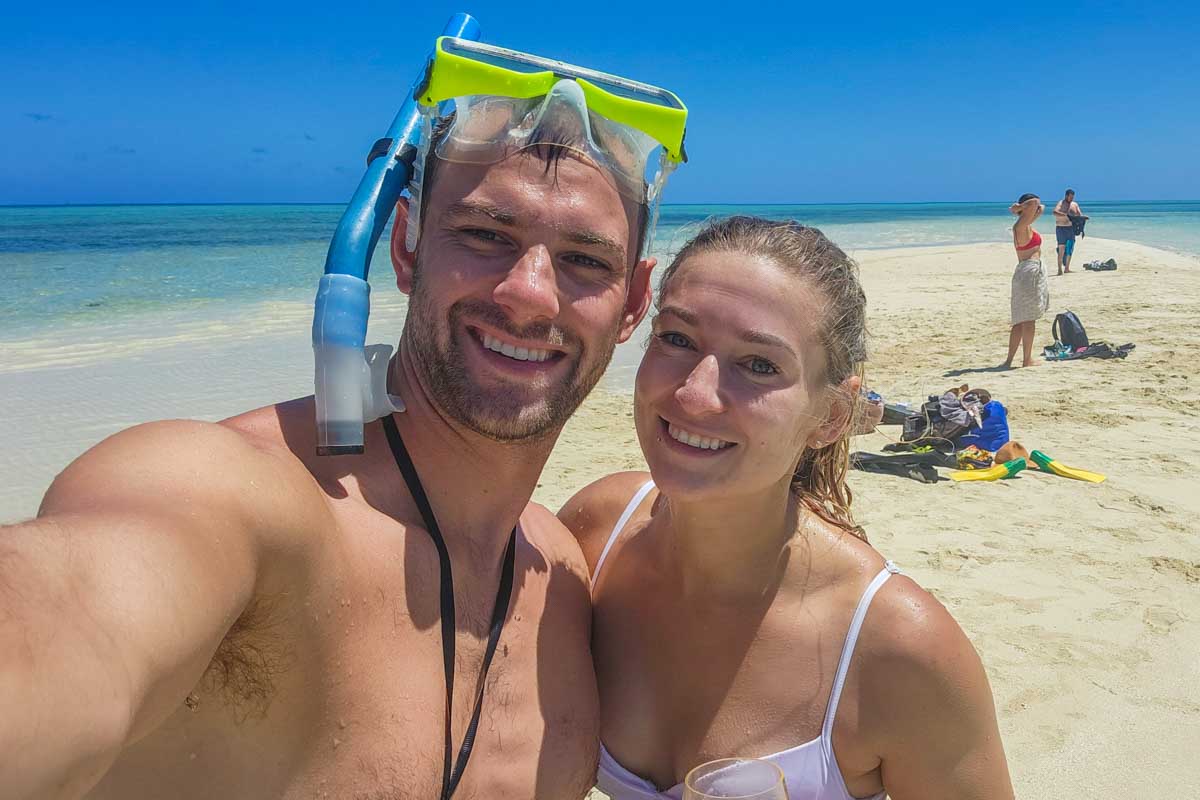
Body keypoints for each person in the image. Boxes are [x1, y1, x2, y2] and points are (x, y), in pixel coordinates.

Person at [0, 43, 688, 799]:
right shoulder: (239, 496)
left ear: (630, 305)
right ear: (404, 245)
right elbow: (68, 614)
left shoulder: (560, 587)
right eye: (487, 235)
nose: (529, 294)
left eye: (585, 259)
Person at [560, 217, 1015, 800]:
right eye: (676, 339)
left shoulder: (899, 649)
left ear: (829, 417)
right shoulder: (595, 534)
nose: (695, 394)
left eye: (759, 365)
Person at [1005, 193, 1048, 368]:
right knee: (1028, 319)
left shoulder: (1025, 223)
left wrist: (1023, 209)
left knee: (1019, 320)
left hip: (1025, 271)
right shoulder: (1021, 226)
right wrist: (1019, 207)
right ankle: (1026, 359)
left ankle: (1009, 360)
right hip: (1029, 271)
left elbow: (1040, 207)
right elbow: (1036, 203)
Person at [1052, 188, 1088, 275]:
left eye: (1073, 197)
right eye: (1070, 197)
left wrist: (1084, 218)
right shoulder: (1061, 203)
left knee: (1070, 249)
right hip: (1061, 228)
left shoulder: (1075, 204)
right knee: (1061, 249)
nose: (1071, 199)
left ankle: (1067, 268)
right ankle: (1059, 269)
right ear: (1066, 196)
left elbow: (1079, 215)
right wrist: (1065, 215)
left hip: (1071, 229)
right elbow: (1054, 212)